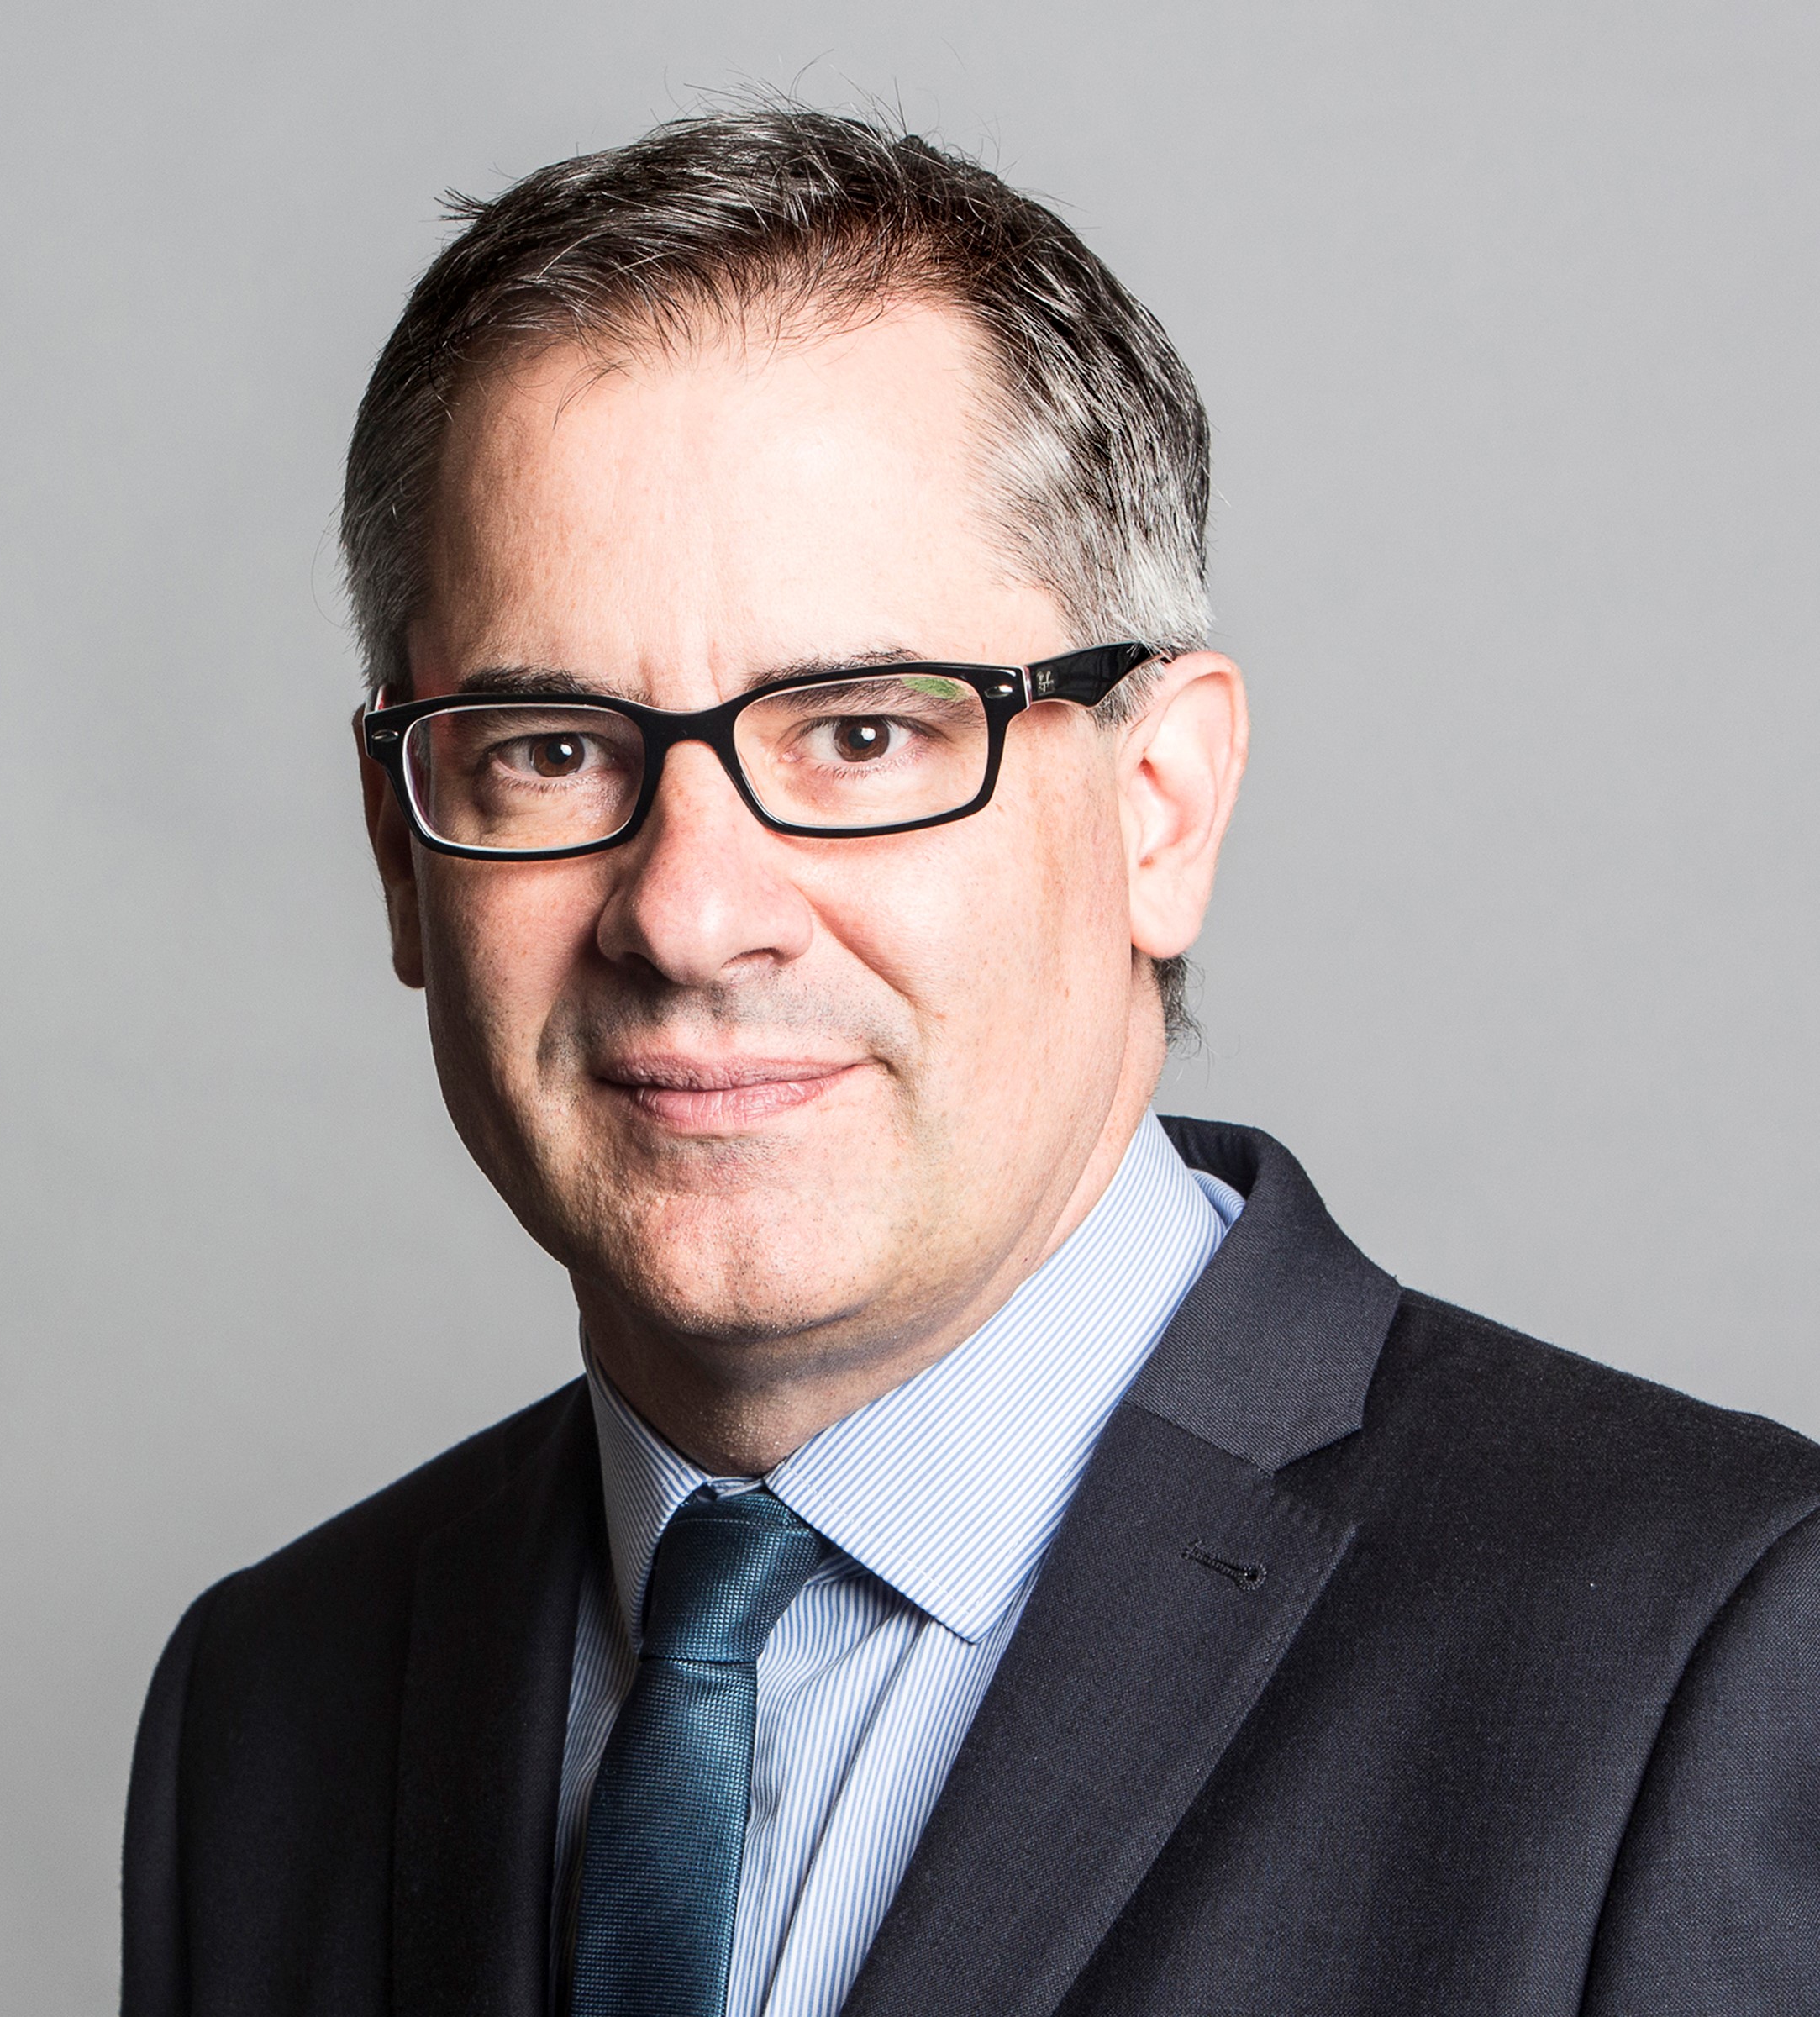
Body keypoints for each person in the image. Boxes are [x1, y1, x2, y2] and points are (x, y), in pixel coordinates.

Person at [122, 109, 1820, 2017]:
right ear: (400, 852)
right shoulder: (271, 1708)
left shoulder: (1715, 1661)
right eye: (551, 750)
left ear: (1162, 804)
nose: (690, 915)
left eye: (861, 734)